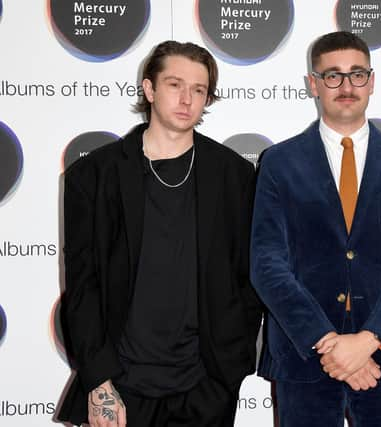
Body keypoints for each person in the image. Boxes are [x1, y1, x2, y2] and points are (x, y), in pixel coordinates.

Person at [57, 40, 261, 427]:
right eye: (174, 85)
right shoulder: (94, 177)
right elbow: (83, 287)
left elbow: (247, 278)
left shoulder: (234, 175)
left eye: (198, 90)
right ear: (149, 89)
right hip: (119, 388)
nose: (187, 99)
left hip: (205, 389)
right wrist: (99, 383)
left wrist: (228, 372)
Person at [250, 31, 381, 427]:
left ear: (372, 81)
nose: (346, 86)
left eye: (357, 74)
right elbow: (267, 264)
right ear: (312, 84)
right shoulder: (279, 163)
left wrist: (370, 340)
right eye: (332, 75)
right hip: (306, 359)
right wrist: (328, 343)